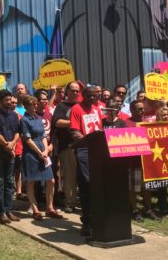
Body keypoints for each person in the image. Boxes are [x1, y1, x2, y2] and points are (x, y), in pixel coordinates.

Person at [20, 95, 62, 220]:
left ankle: (50, 208)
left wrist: (45, 150)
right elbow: (27, 140)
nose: (35, 106)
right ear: (26, 106)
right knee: (31, 182)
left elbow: (43, 135)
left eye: (35, 104)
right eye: (32, 105)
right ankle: (35, 209)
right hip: (31, 154)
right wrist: (39, 152)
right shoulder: (24, 120)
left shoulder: (38, 119)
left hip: (43, 153)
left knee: (51, 180)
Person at [69, 85, 103, 236]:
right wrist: (85, 139)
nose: (92, 98)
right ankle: (87, 221)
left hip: (98, 150)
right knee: (86, 183)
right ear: (83, 95)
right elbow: (74, 131)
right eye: (89, 95)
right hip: (83, 150)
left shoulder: (97, 109)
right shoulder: (77, 109)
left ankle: (96, 217)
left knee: (98, 184)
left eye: (95, 96)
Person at [0, 90, 20, 224]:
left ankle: (8, 210)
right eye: (6, 100)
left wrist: (12, 144)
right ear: (0, 101)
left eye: (10, 99)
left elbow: (18, 132)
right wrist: (7, 146)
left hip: (10, 151)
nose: (9, 102)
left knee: (9, 182)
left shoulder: (13, 115)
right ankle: (0, 212)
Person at [126, 100, 160, 221]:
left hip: (146, 163)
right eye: (139, 109)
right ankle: (135, 210)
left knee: (147, 188)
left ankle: (148, 209)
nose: (142, 111)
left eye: (142, 108)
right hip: (132, 162)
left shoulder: (148, 123)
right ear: (131, 110)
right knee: (133, 189)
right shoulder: (126, 123)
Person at [51, 82, 80, 213]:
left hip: (84, 146)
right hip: (68, 146)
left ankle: (83, 201)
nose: (75, 93)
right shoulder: (61, 107)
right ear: (67, 92)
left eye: (77, 91)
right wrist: (75, 122)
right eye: (73, 90)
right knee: (69, 176)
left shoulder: (82, 106)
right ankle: (71, 202)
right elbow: (57, 122)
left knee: (84, 175)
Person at [10, 95, 25, 201]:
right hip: (8, 146)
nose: (14, 104)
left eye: (15, 102)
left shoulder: (19, 115)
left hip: (19, 146)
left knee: (18, 169)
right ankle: (10, 191)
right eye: (12, 102)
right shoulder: (4, 115)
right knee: (9, 171)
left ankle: (19, 191)